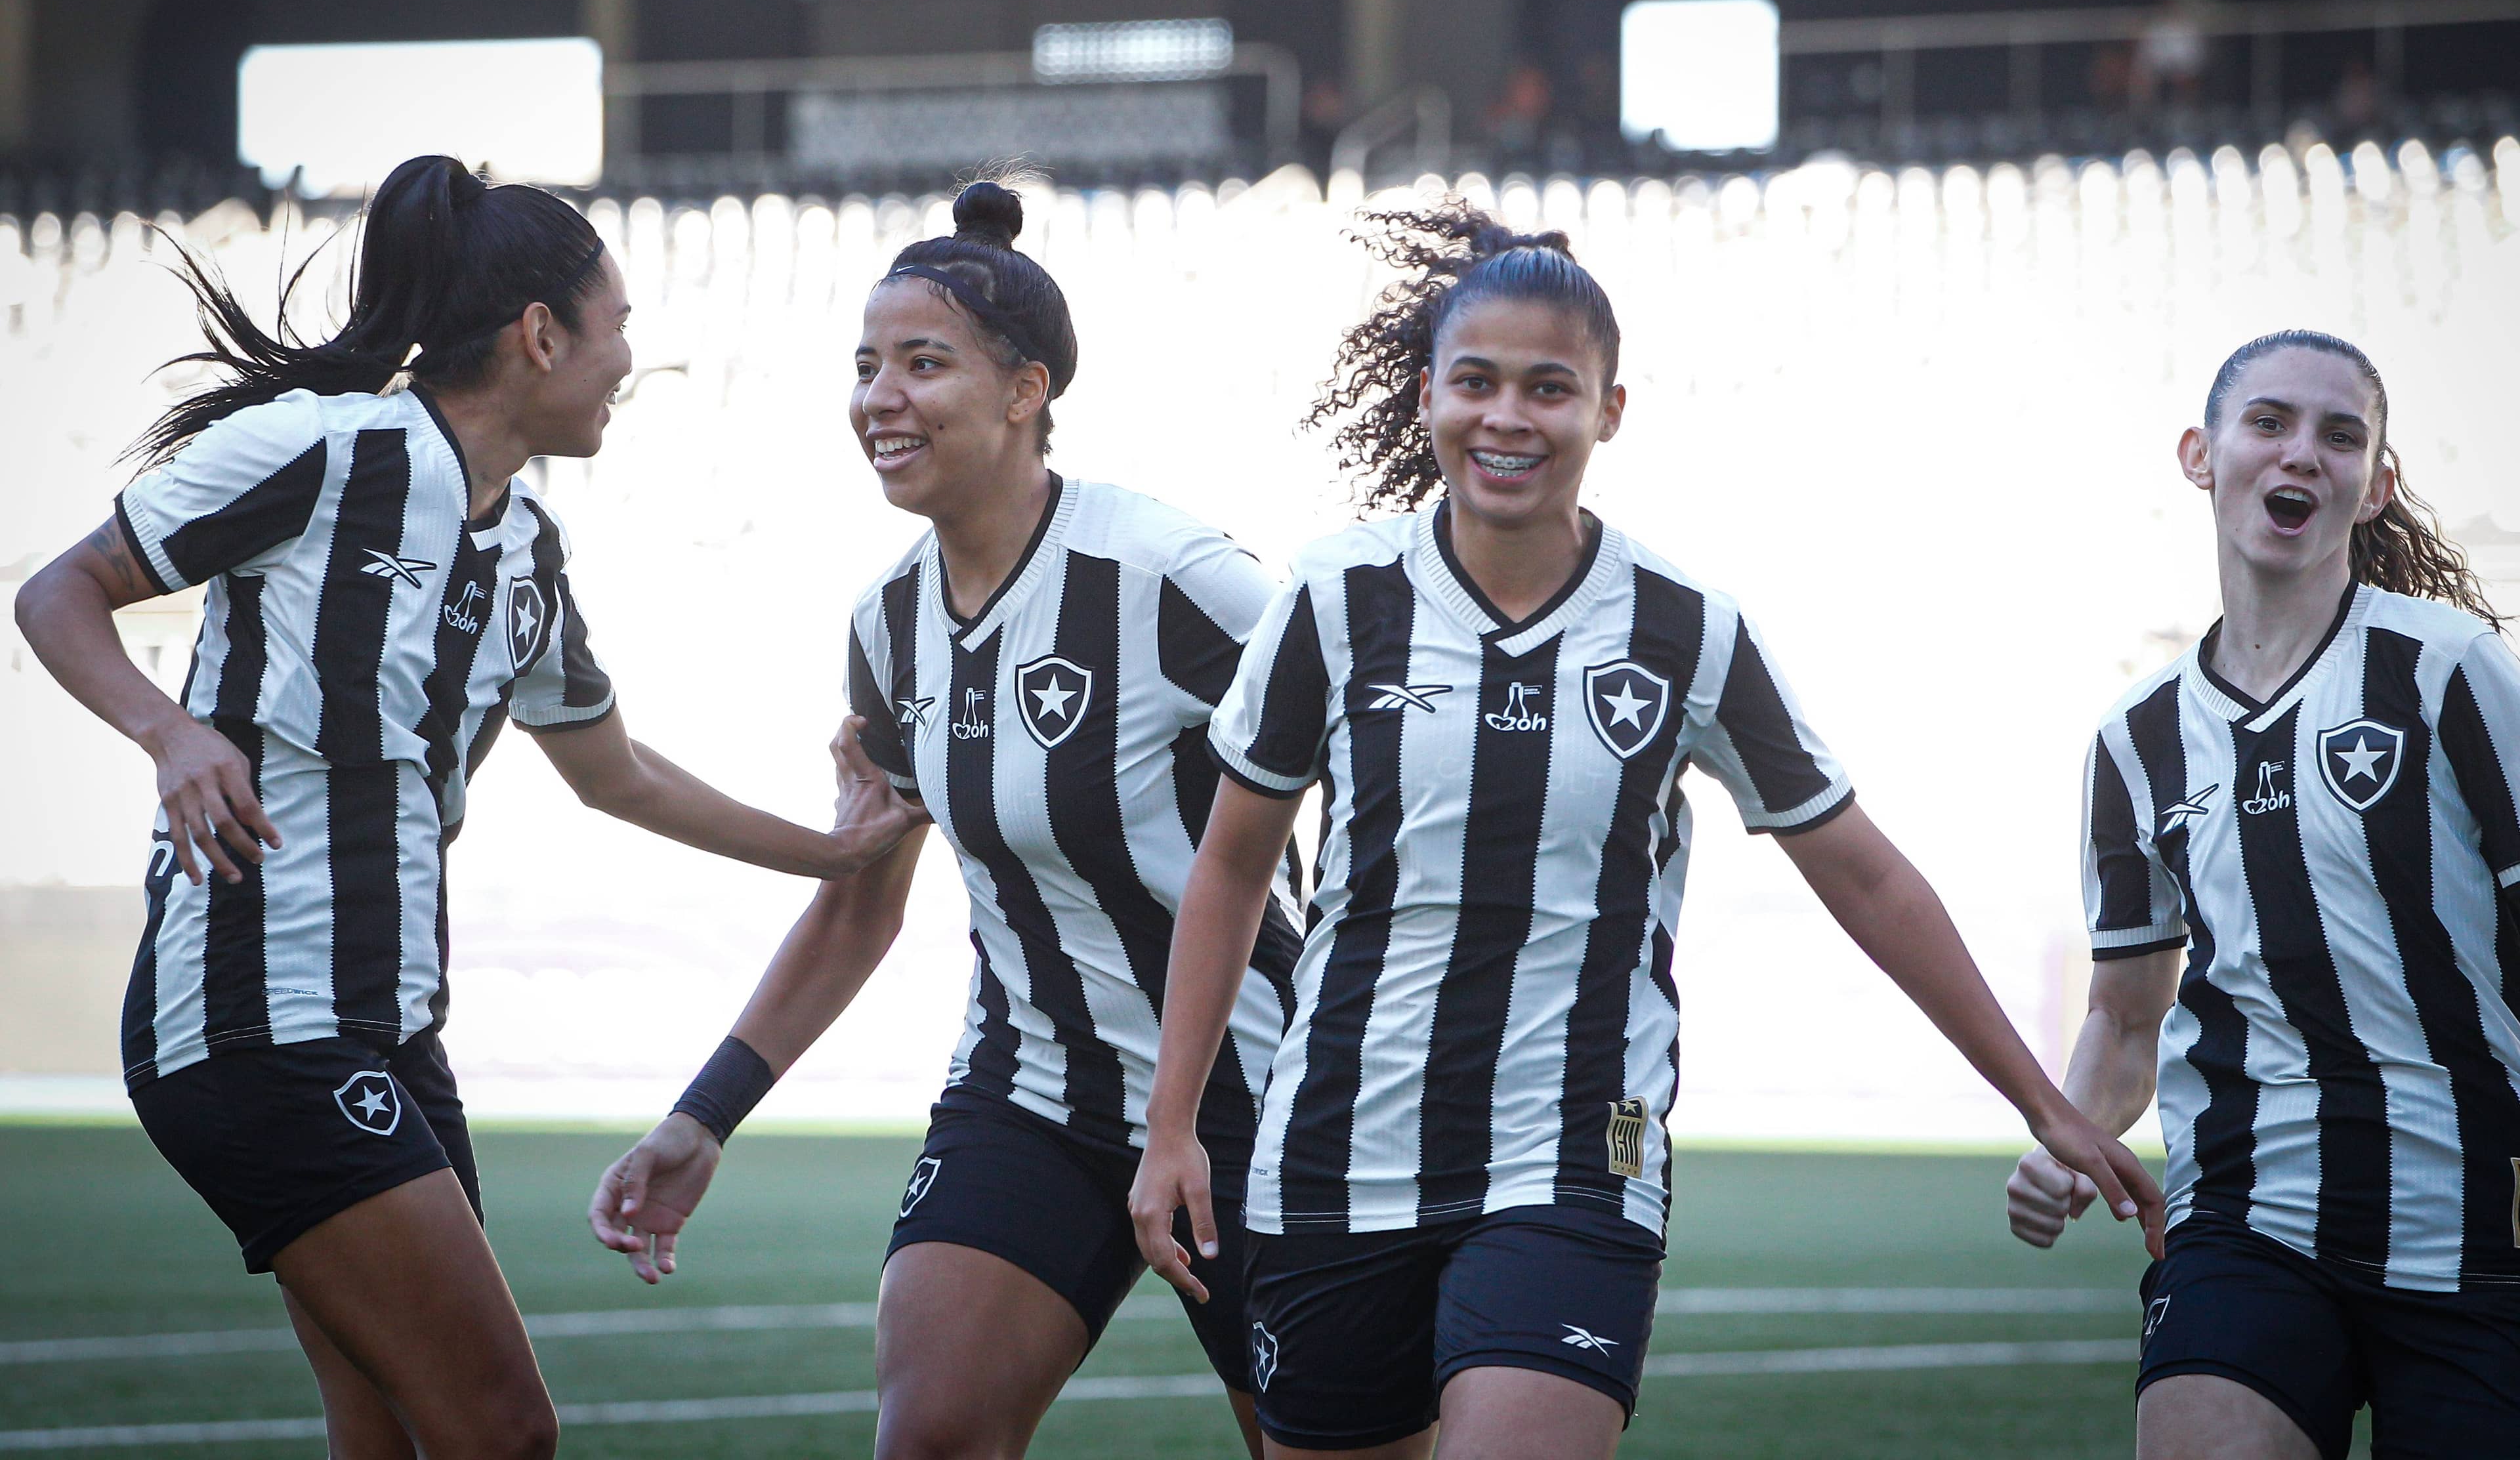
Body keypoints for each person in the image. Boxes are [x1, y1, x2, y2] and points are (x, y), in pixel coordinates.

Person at [1127, 203, 2164, 1459]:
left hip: (1574, 1158)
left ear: (1610, 411)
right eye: (1479, 383)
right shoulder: (1337, 596)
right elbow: (1235, 868)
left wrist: (2042, 1098)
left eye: (1550, 389)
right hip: (1337, 1147)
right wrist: (1173, 1124)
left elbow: (1868, 878)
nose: (1509, 417)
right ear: (1426, 397)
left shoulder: (1684, 630)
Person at [10, 154, 925, 1460]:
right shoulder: (326, 451)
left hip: (390, 1033)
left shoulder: (528, 548)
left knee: (387, 1431)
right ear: (539, 335)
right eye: (615, 330)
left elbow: (617, 774)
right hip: (259, 1019)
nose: (629, 363)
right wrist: (167, 731)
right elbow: (61, 591)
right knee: (502, 1426)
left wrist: (833, 846)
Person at [586, 179, 1301, 1459]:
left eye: (924, 363)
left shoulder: (1169, 574)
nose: (880, 397)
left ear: (1026, 391)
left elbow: (1373, 737)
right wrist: (706, 1110)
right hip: (1032, 1092)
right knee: (931, 1435)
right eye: (866, 367)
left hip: (1260, 1095)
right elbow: (866, 893)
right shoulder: (889, 623)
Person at [2006, 329, 2520, 1460]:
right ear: (2203, 453)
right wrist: (2067, 1136)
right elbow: (2125, 1017)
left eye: (2342, 437)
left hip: (2476, 1227)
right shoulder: (2136, 740)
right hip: (2247, 1214)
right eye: (2270, 422)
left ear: (2376, 486)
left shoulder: (2448, 670)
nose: (2302, 454)